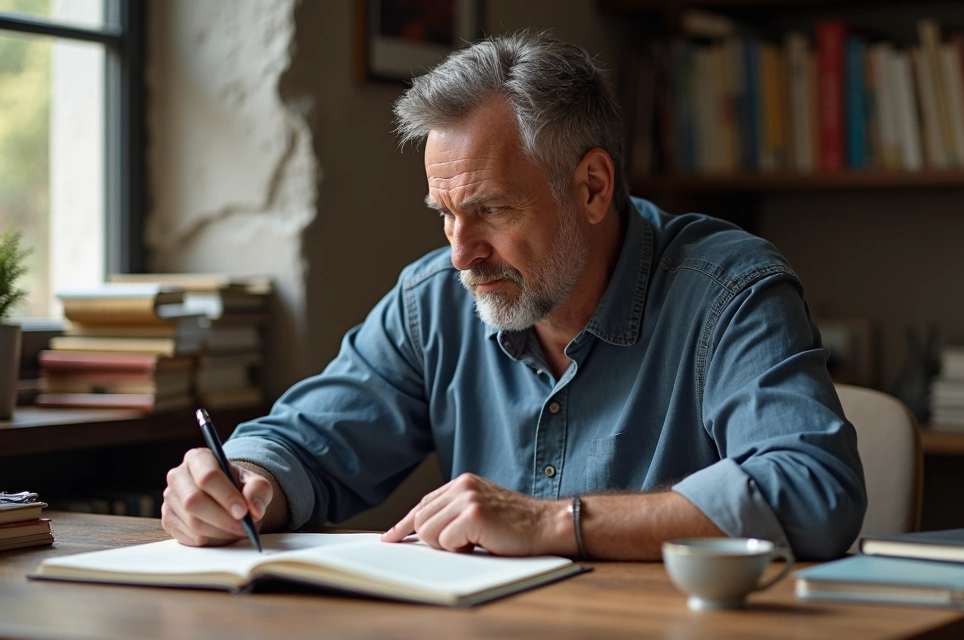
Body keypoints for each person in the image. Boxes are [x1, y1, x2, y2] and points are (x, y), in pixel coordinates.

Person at [161, 31, 866, 561]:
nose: (459, 252)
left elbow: (811, 490)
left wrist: (549, 522)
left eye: (492, 210)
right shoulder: (434, 301)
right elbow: (307, 442)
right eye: (443, 213)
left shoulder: (729, 291)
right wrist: (242, 481)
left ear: (591, 187)